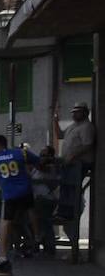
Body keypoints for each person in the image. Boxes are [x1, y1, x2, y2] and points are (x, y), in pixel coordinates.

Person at [0, 133, 39, 271]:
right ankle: (37, 237)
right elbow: (38, 161)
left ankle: (3, 255)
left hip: (9, 193)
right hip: (25, 189)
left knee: (5, 222)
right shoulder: (21, 153)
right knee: (31, 211)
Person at [54, 101, 95, 264]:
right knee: (66, 190)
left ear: (84, 112)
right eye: (73, 111)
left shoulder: (87, 127)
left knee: (73, 194)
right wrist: (55, 119)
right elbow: (60, 135)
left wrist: (73, 156)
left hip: (79, 164)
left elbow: (88, 145)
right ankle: (63, 210)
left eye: (77, 111)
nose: (74, 114)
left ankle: (68, 211)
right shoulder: (73, 126)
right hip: (69, 165)